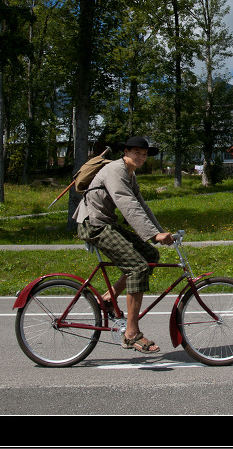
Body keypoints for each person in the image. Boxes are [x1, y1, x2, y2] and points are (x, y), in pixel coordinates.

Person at [73, 136, 174, 354]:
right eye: (137, 153)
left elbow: (141, 206)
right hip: (94, 225)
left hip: (106, 223)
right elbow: (127, 204)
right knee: (137, 267)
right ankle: (130, 334)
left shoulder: (129, 173)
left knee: (150, 255)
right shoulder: (115, 171)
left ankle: (110, 297)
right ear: (125, 152)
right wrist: (153, 234)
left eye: (145, 154)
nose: (142, 157)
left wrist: (159, 233)